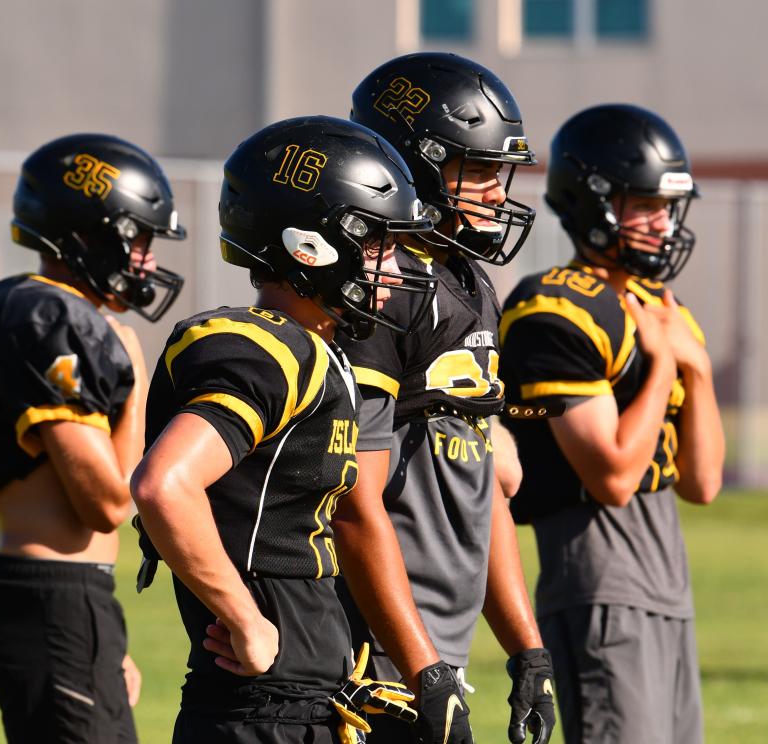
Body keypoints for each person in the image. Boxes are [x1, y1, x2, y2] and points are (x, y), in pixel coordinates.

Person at [130, 116, 436, 744]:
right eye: (377, 242)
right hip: (263, 710)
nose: (395, 265)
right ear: (309, 245)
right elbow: (164, 485)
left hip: (300, 701)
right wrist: (244, 617)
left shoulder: (318, 352)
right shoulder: (266, 347)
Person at [331, 52, 556, 744]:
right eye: (480, 169)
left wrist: (527, 648)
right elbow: (352, 497)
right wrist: (419, 666)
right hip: (372, 655)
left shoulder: (466, 280)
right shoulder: (385, 284)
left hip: (435, 652)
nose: (496, 191)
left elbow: (482, 477)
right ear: (414, 164)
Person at [0, 133, 187, 743]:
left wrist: (100, 634)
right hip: (51, 599)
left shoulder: (30, 309)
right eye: (138, 239)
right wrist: (134, 384)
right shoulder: (51, 318)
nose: (147, 261)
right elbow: (105, 505)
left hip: (64, 603)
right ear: (86, 234)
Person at [498, 104, 725, 744]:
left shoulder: (662, 309)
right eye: (643, 204)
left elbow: (703, 482)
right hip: (599, 579)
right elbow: (614, 477)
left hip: (666, 581)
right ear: (594, 204)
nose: (662, 223)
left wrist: (697, 370)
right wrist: (660, 366)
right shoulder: (552, 306)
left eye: (666, 206)